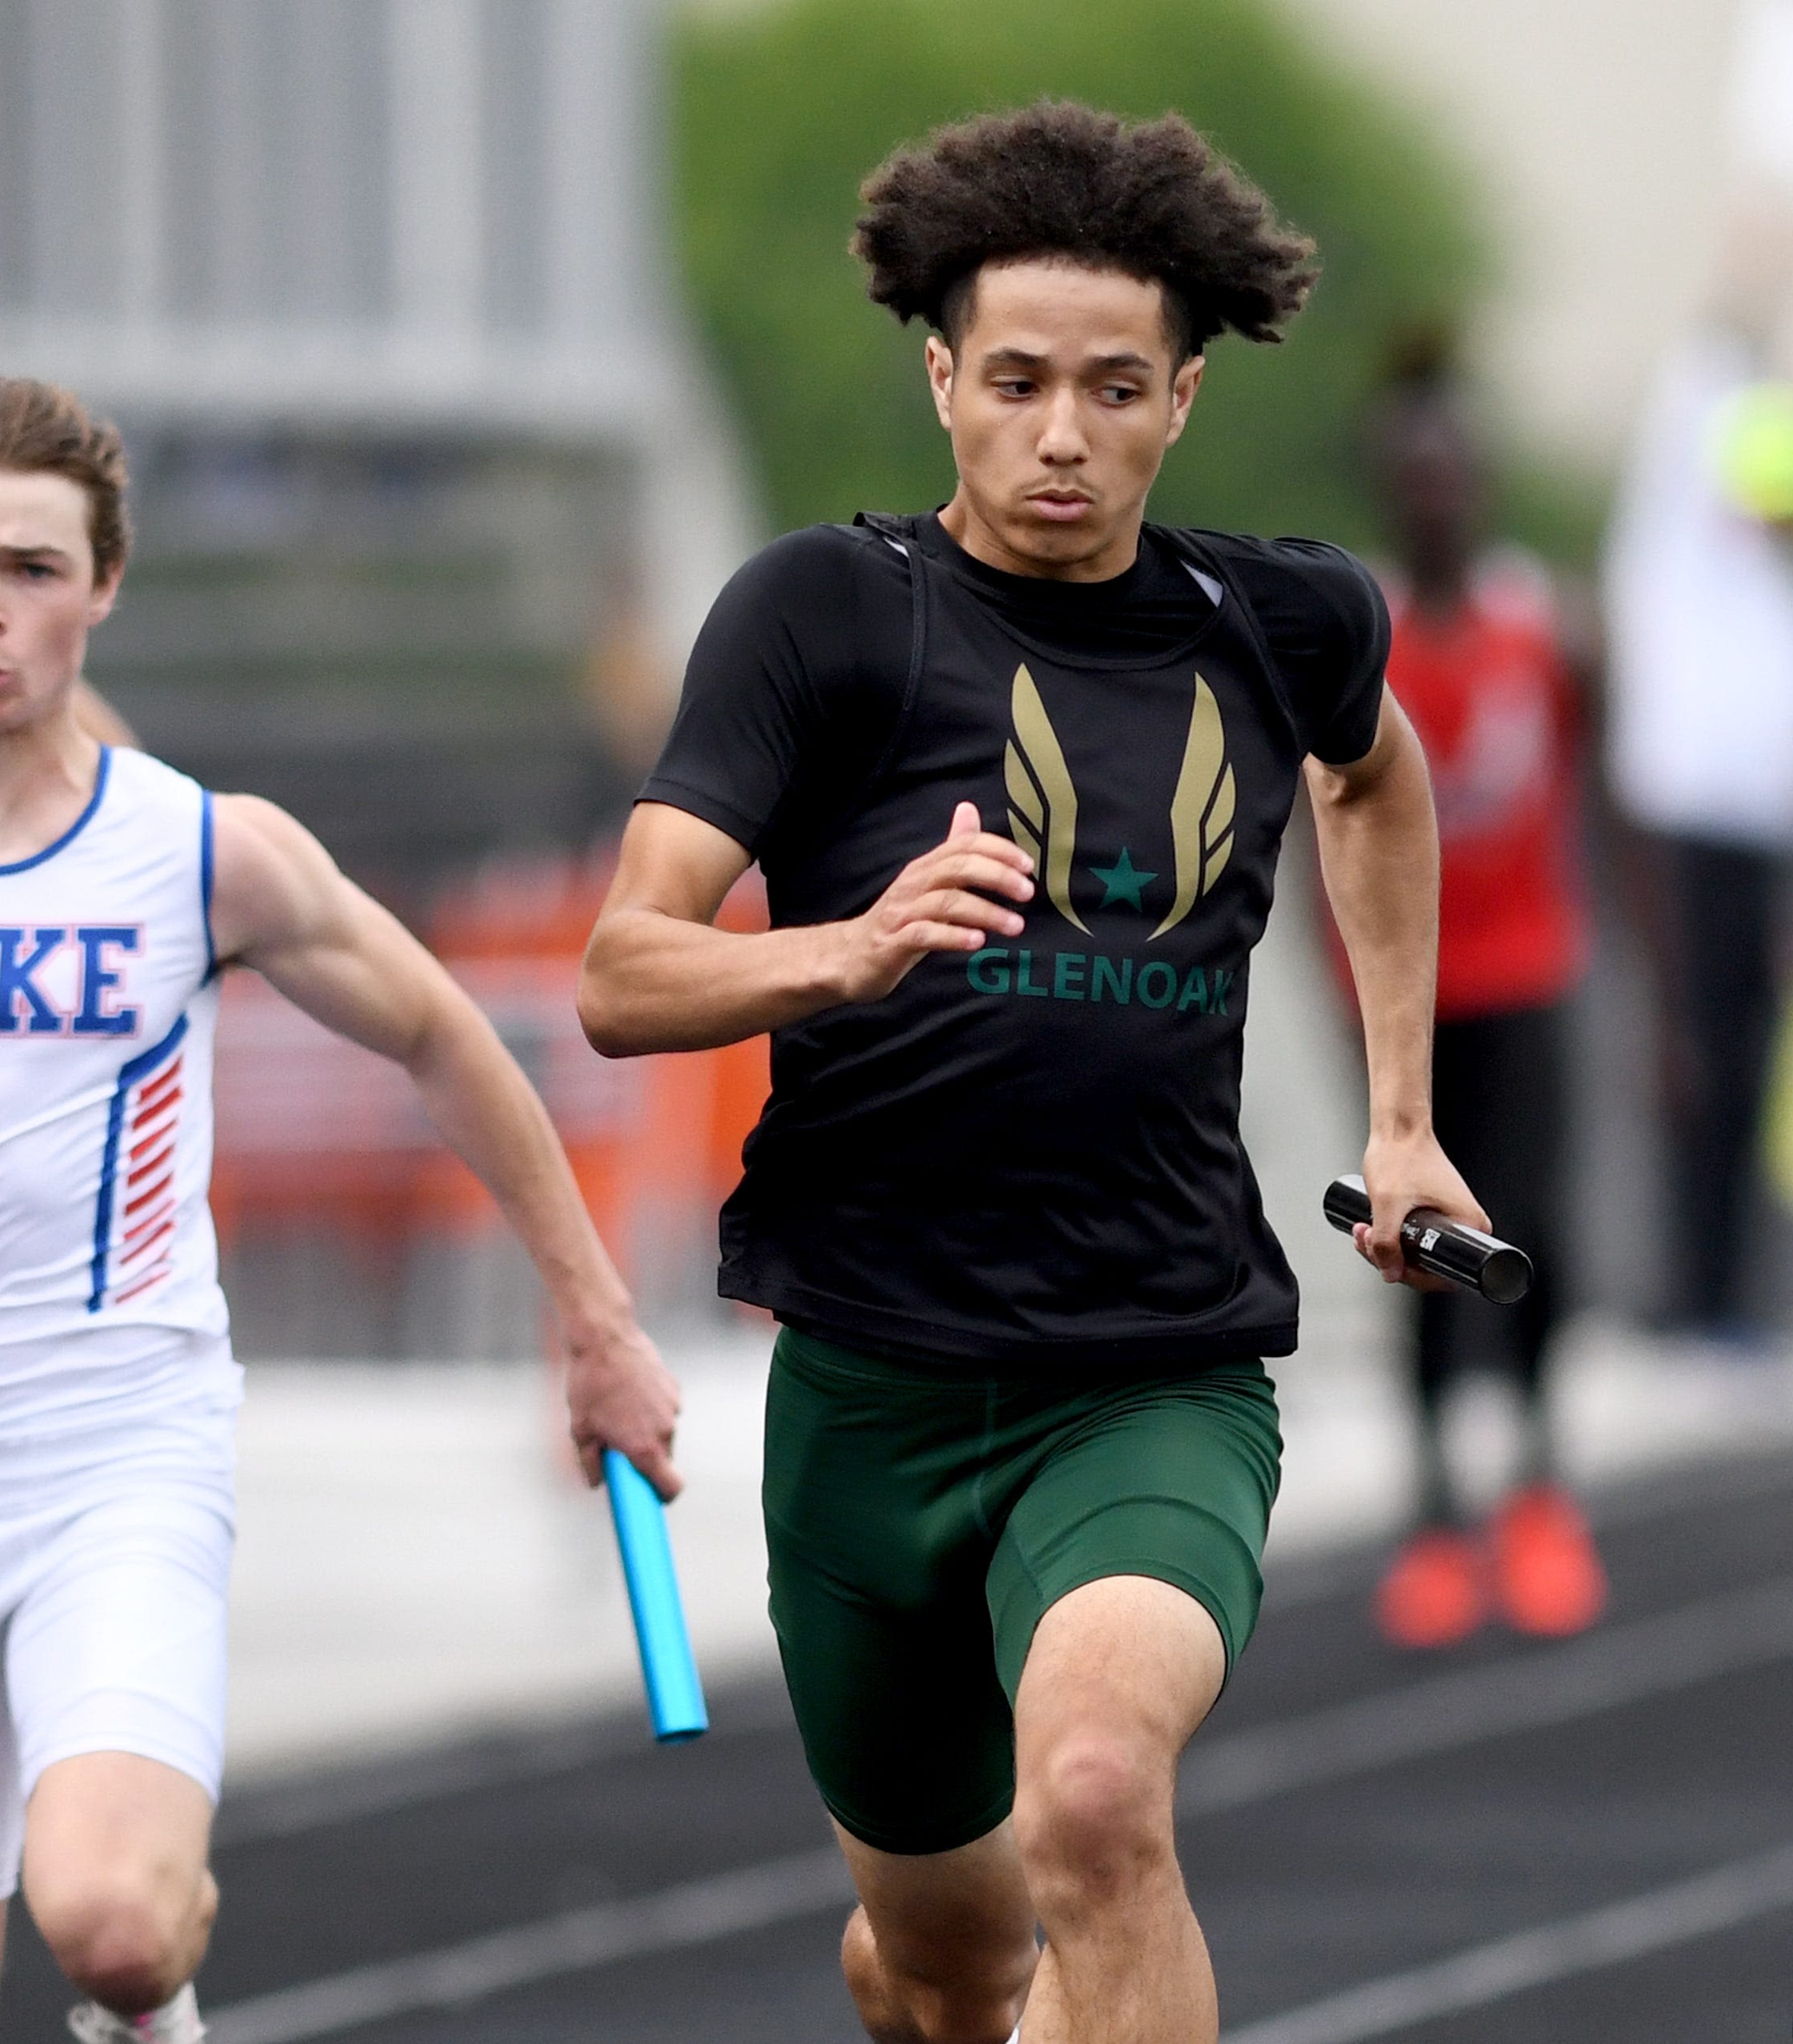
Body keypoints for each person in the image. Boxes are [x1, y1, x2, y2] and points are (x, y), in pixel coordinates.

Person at [578, 104, 1481, 2044]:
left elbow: (1376, 777)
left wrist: (1402, 1120)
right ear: (940, 378)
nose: (1059, 433)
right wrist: (854, 944)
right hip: (870, 1387)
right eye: (1012, 382)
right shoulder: (827, 611)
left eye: (1111, 387)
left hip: (1149, 1367)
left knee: (1091, 1803)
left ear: (1183, 398)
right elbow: (621, 974)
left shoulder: (1284, 616)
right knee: (947, 1969)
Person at [0, 377, 682, 2044]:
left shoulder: (202, 851)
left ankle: (163, 1985)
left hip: (113, 1468)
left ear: (103, 584)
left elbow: (442, 1033)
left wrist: (595, 1321)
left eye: (31, 568)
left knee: (114, 1926)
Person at [1359, 358, 1607, 1650]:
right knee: (1413, 1251)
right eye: (1417, 484)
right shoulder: (1367, 638)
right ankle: (1434, 1505)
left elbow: (1601, 796)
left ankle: (1540, 1481)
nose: (1439, 501)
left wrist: (1642, 976)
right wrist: (1342, 993)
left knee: (1539, 1231)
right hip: (1417, 997)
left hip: (1532, 975)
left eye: (1454, 478)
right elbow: (1327, 827)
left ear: (1483, 487)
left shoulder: (1547, 629)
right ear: (1394, 500)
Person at [1604, 197, 1793, 1346]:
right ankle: (1691, 1289)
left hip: (1767, 818)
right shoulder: (1700, 425)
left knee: (1760, 1074)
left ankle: (1742, 1291)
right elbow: (1720, 357)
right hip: (1690, 812)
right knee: (1694, 1058)